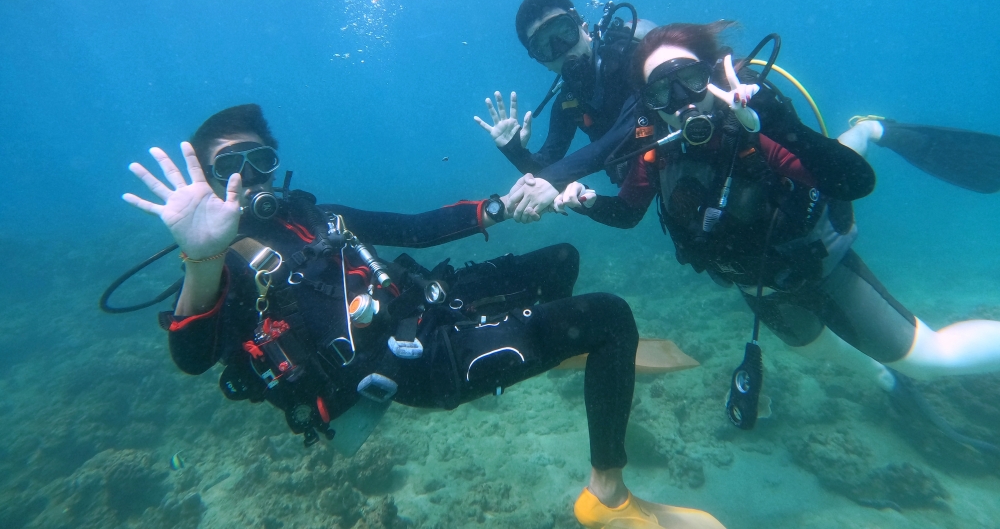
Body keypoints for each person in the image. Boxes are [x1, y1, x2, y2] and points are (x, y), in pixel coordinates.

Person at [123, 104, 726, 529]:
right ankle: (608, 496)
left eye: (260, 159)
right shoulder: (217, 260)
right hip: (411, 365)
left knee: (561, 259)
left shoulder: (314, 214)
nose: (249, 178)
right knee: (612, 318)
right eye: (230, 166)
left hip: (425, 306)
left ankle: (569, 359)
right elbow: (193, 358)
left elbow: (413, 229)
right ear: (202, 180)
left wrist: (500, 207)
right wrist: (200, 256)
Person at [545, 23, 1000, 391]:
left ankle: (869, 131)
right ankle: (881, 379)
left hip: (818, 262)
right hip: (757, 286)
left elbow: (851, 182)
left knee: (930, 361)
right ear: (648, 106)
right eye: (662, 92)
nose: (682, 101)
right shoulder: (654, 149)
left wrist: (774, 120)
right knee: (814, 348)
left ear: (713, 76)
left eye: (691, 79)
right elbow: (627, 213)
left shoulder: (753, 127)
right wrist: (586, 201)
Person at [475, 0, 655, 189]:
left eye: (565, 32)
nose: (561, 49)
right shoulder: (569, 103)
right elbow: (544, 170)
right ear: (542, 62)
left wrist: (558, 176)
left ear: (584, 29)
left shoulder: (632, 60)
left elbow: (628, 128)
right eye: (545, 47)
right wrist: (514, 151)